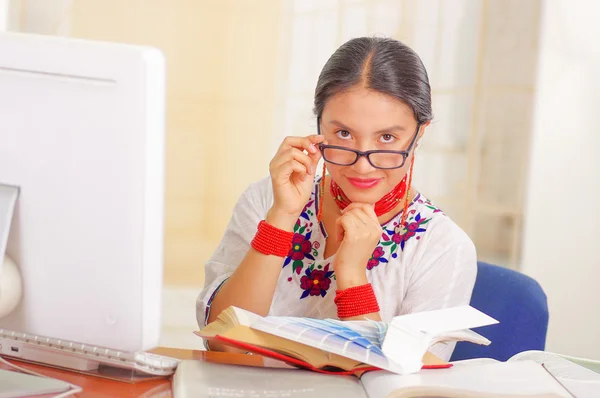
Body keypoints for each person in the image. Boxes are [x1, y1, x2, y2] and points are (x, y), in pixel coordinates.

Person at [196, 37, 476, 361]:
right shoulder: (267, 199)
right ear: (319, 125)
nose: (362, 164)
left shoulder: (443, 247)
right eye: (343, 134)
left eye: (387, 137)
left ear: (419, 134)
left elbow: (403, 387)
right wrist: (282, 217)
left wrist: (352, 275)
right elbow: (224, 342)